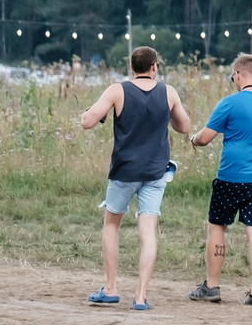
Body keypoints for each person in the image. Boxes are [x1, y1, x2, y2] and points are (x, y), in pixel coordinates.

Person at [77, 45, 192, 310]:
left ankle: (110, 288)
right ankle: (140, 296)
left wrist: (96, 112)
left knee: (111, 225)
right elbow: (184, 126)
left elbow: (87, 122)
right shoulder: (168, 92)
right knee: (148, 231)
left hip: (125, 170)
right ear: (154, 67)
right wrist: (167, 116)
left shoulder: (117, 91)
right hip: (155, 171)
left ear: (132, 67)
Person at [189, 54, 252, 305]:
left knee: (217, 227)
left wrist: (193, 138)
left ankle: (212, 286)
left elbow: (205, 138)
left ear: (237, 75)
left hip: (230, 177)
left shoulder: (229, 103)